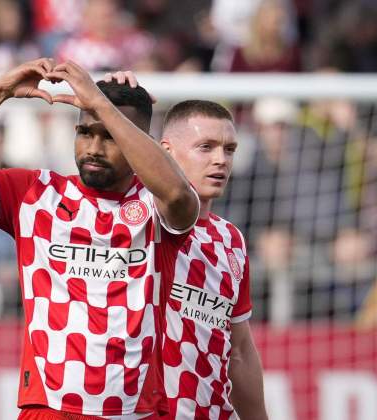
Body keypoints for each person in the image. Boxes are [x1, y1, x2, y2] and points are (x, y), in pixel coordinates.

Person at [0, 58, 199, 419]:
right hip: (48, 408)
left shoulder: (157, 205)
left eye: (110, 135)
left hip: (134, 410)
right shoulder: (36, 195)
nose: (94, 147)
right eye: (85, 132)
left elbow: (177, 194)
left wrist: (100, 103)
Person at [158, 100, 268, 419]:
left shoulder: (230, 239)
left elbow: (240, 352)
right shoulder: (141, 219)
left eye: (229, 149)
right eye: (205, 147)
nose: (221, 160)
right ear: (166, 150)